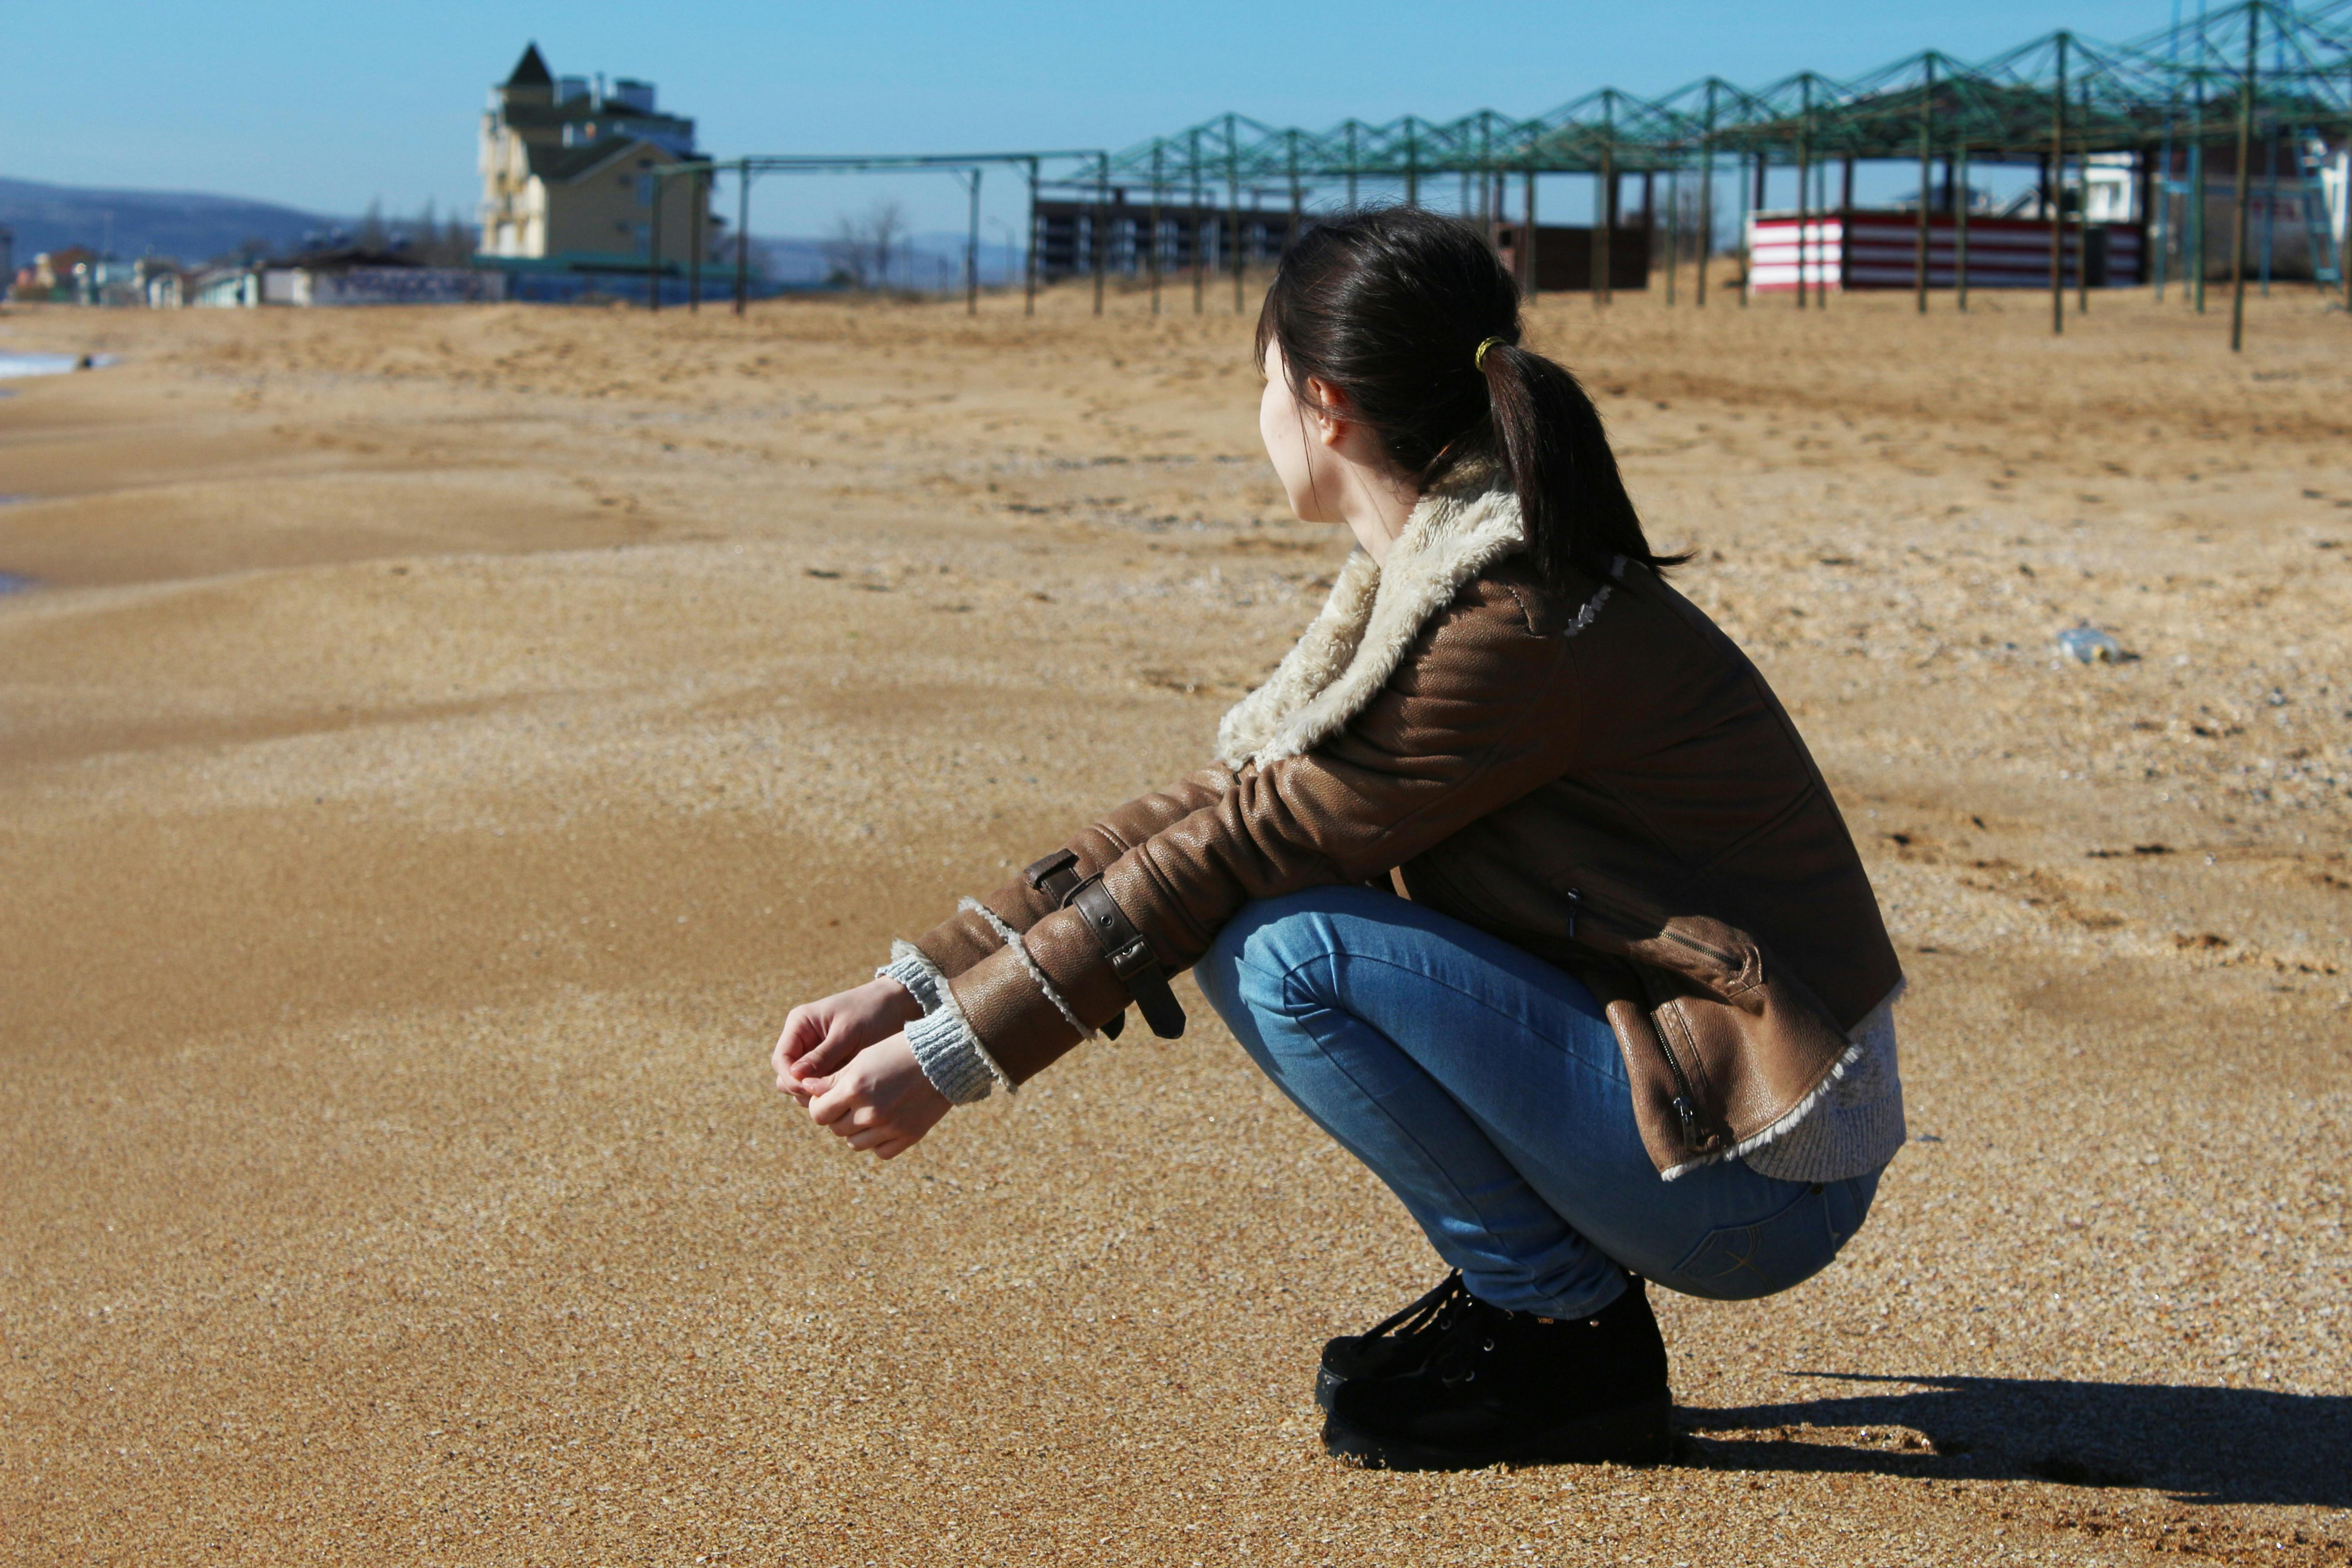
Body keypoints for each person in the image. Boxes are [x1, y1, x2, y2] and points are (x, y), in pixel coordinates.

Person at [772, 207, 1905, 1473]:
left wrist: (953, 1056)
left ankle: (1560, 1336)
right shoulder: (1445, 570)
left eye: (1263, 383)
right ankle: (1538, 1307)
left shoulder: (1506, 619)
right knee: (1253, 915)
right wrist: (915, 982)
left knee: (1283, 952)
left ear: (1324, 405)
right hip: (1703, 1103)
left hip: (1762, 1168)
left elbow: (1236, 848)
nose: (1256, 414)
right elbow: (1230, 806)